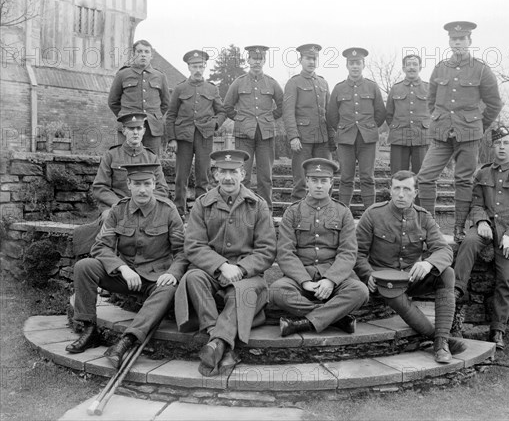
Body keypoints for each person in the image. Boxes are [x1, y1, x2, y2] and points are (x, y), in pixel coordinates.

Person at [66, 163, 187, 369]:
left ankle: (126, 340)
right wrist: (122, 268)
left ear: (154, 184)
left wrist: (173, 273)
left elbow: (182, 251)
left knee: (169, 290)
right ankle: (89, 329)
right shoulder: (118, 210)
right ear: (128, 184)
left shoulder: (168, 211)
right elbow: (101, 246)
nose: (142, 189)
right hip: (125, 276)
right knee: (84, 266)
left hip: (155, 279)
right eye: (137, 184)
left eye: (147, 184)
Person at [174, 150, 276, 376]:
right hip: (211, 271)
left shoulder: (258, 205)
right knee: (193, 277)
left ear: (243, 174)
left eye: (234, 172)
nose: (229, 177)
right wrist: (222, 265)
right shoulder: (202, 204)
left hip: (246, 274)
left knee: (243, 292)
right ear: (215, 175)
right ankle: (220, 341)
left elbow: (267, 250)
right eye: (223, 172)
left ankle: (216, 345)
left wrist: (240, 268)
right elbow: (194, 245)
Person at [355, 170, 466, 363]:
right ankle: (440, 342)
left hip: (410, 278)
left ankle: (440, 340)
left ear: (415, 193)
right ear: (390, 190)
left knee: (447, 273)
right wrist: (368, 274)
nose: (400, 194)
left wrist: (428, 262)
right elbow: (357, 254)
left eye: (407, 189)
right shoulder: (373, 214)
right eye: (396, 188)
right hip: (382, 282)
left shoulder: (423, 217)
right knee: (391, 288)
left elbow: (444, 251)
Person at [417, 21, 503, 242]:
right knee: (425, 177)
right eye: (454, 39)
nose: (457, 43)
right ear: (449, 42)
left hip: (469, 135)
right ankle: (429, 227)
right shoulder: (440, 68)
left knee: (463, 181)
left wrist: (478, 126)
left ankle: (458, 229)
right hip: (441, 134)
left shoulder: (481, 69)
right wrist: (438, 119)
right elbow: (431, 100)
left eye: (462, 39)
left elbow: (494, 103)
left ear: (469, 41)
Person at [453, 127, 509, 350]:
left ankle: (497, 330)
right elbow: (477, 202)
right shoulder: (483, 174)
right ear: (493, 146)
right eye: (498, 143)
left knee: (506, 279)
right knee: (469, 242)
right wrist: (480, 221)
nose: (502, 147)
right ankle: (456, 290)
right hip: (486, 227)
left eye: (506, 143)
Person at [270, 158, 369, 337]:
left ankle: (303, 323)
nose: (318, 185)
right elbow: (285, 252)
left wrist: (330, 280)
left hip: (334, 277)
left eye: (323, 181)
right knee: (277, 291)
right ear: (306, 181)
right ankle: (336, 317)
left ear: (331, 183)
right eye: (314, 180)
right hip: (302, 277)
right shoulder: (293, 211)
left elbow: (348, 252)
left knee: (360, 291)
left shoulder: (342, 212)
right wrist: (304, 281)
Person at [73, 113, 169, 256]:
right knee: (108, 219)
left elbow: (162, 189)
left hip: (145, 206)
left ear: (144, 131)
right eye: (131, 129)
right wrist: (122, 205)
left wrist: (145, 204)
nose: (135, 132)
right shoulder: (111, 155)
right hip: (116, 206)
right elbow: (100, 187)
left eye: (139, 128)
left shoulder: (151, 157)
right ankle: (106, 259)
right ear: (124, 131)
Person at [165, 49, 226, 218]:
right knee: (180, 177)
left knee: (203, 177)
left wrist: (214, 124)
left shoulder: (212, 89)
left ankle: (201, 212)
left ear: (205, 66)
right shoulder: (180, 88)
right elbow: (170, 115)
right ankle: (178, 212)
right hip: (183, 138)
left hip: (204, 137)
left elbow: (222, 112)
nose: (198, 69)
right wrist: (172, 139)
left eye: (200, 66)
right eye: (194, 66)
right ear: (189, 67)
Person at [223, 45, 284, 209]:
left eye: (260, 59)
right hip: (244, 135)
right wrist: (241, 119)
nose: (257, 62)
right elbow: (227, 106)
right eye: (254, 58)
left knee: (266, 176)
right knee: (244, 174)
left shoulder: (272, 83)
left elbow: (282, 105)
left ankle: (266, 211)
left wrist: (270, 118)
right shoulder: (239, 82)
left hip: (266, 134)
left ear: (264, 61)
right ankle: (243, 209)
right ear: (248, 60)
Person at [327, 48, 386, 209]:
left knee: (368, 177)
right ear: (347, 65)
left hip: (367, 139)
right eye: (351, 63)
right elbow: (332, 115)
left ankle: (370, 215)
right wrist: (343, 128)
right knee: (346, 177)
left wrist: (369, 128)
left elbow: (380, 113)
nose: (355, 66)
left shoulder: (372, 87)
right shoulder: (339, 88)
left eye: (358, 63)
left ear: (363, 65)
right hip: (346, 139)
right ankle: (343, 214)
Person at [282, 43, 334, 201]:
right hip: (302, 140)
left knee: (325, 178)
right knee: (301, 180)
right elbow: (288, 112)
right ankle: (297, 217)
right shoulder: (294, 83)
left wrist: (332, 136)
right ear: (300, 60)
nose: (311, 62)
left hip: (323, 140)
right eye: (308, 58)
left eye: (314, 59)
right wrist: (293, 136)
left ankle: (327, 215)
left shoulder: (323, 83)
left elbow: (329, 113)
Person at [108, 40, 170, 155]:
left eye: (147, 52)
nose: (143, 54)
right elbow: (113, 101)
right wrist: (125, 117)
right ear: (133, 54)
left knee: (152, 161)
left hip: (152, 129)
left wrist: (154, 117)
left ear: (151, 55)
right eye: (139, 51)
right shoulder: (123, 74)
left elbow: (166, 103)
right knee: (125, 160)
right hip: (128, 126)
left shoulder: (160, 76)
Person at [386, 54, 431, 177]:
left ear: (420, 67)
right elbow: (389, 114)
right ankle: (396, 197)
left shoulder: (429, 88)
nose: (412, 67)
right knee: (398, 176)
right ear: (403, 68)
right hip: (399, 138)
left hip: (422, 138)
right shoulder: (396, 88)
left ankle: (420, 197)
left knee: (422, 176)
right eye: (408, 64)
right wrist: (398, 128)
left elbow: (436, 112)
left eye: (415, 64)